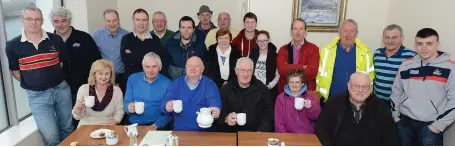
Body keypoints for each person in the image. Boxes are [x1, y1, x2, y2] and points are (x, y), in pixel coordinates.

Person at [5, 6, 72, 145]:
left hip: (61, 90)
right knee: (51, 136)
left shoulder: (56, 39)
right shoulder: (12, 45)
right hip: (37, 96)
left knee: (67, 129)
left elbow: (61, 64)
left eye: (37, 19)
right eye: (29, 19)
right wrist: (33, 82)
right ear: (21, 20)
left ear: (42, 21)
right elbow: (15, 71)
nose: (33, 22)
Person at [391, 28, 455, 146]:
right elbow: (396, 91)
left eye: (429, 43)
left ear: (438, 44)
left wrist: (437, 126)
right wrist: (396, 116)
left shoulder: (450, 68)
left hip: (431, 126)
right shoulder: (406, 65)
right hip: (405, 123)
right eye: (419, 44)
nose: (424, 48)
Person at [315, 72, 399, 145]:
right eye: (356, 85)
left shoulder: (381, 107)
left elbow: (391, 138)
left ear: (371, 89)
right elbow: (321, 129)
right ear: (348, 86)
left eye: (365, 86)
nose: (360, 90)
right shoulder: (333, 102)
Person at [50, 7, 102, 114]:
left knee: (83, 117)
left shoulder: (84, 38)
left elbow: (97, 62)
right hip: (58, 89)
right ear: (52, 23)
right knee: (66, 120)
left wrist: (93, 83)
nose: (60, 25)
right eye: (56, 21)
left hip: (82, 88)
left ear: (69, 21)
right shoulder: (48, 41)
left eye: (63, 21)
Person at [316, 19, 374, 105]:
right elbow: (319, 76)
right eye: (345, 31)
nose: (348, 34)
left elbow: (370, 79)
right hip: (330, 100)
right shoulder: (326, 51)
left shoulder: (366, 53)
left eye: (352, 31)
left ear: (356, 33)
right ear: (339, 32)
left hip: (355, 102)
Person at [160, 57, 221, 131]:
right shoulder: (177, 83)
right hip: (180, 131)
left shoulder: (209, 84)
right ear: (185, 68)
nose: (193, 69)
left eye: (196, 66)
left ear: (203, 69)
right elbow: (164, 102)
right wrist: (167, 106)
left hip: (205, 131)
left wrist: (216, 111)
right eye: (190, 66)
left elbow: (215, 103)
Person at [218, 57, 273, 132]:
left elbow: (269, 114)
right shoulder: (225, 89)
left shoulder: (262, 89)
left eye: (249, 71)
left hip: (256, 134)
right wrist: (226, 118)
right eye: (242, 70)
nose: (246, 74)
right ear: (236, 71)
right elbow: (218, 113)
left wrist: (261, 131)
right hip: (232, 134)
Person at [124, 52, 171, 130]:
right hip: (133, 124)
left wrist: (155, 125)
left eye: (154, 67)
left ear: (160, 67)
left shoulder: (168, 83)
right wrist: (129, 107)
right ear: (143, 67)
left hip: (156, 124)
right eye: (147, 67)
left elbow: (169, 113)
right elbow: (126, 103)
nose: (150, 70)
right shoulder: (132, 79)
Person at [373, 24, 416, 108]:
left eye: (394, 37)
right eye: (387, 37)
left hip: (398, 105)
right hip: (377, 101)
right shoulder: (377, 53)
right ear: (383, 38)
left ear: (401, 38)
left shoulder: (412, 56)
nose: (390, 41)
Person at [72, 59, 124, 127]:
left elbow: (119, 114)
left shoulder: (117, 91)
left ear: (111, 75)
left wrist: (107, 128)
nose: (104, 77)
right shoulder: (83, 89)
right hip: (86, 127)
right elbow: (77, 117)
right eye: (100, 73)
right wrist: (78, 107)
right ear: (94, 74)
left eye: (107, 73)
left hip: (108, 127)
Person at [277, 19, 319, 94]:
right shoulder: (283, 49)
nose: (298, 32)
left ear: (305, 32)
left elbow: (312, 72)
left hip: (306, 92)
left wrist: (288, 67)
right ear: (291, 31)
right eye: (295, 29)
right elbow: (281, 70)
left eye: (301, 29)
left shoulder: (313, 49)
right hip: (286, 92)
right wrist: (302, 67)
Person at [92, 9, 130, 93]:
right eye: (108, 21)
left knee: (120, 103)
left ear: (119, 20)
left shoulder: (127, 36)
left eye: (114, 20)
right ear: (105, 22)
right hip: (103, 79)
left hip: (121, 78)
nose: (112, 24)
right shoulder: (95, 36)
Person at [121, 8, 163, 80]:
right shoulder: (126, 39)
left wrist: (134, 56)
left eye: (144, 20)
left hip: (152, 80)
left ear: (148, 22)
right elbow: (127, 62)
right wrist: (148, 61)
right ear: (133, 21)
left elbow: (158, 62)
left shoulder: (155, 39)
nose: (141, 23)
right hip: (133, 80)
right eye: (138, 20)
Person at [275, 68, 320, 134]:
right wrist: (284, 137)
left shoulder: (309, 95)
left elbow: (317, 116)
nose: (294, 85)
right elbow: (279, 123)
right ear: (287, 83)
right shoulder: (281, 98)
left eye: (297, 82)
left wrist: (311, 107)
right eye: (291, 82)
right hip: (288, 135)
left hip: (308, 134)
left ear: (302, 84)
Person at [162, 16, 207, 80]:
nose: (186, 31)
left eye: (189, 28)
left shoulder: (200, 46)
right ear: (179, 29)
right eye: (183, 27)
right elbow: (164, 66)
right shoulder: (170, 44)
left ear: (193, 29)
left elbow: (205, 67)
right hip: (174, 83)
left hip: (194, 84)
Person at [249, 30, 279, 104]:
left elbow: (278, 75)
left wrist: (269, 86)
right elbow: (248, 70)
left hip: (269, 90)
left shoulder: (274, 55)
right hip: (253, 90)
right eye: (259, 41)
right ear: (256, 42)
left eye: (264, 40)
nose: (262, 43)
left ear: (268, 41)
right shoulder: (252, 54)